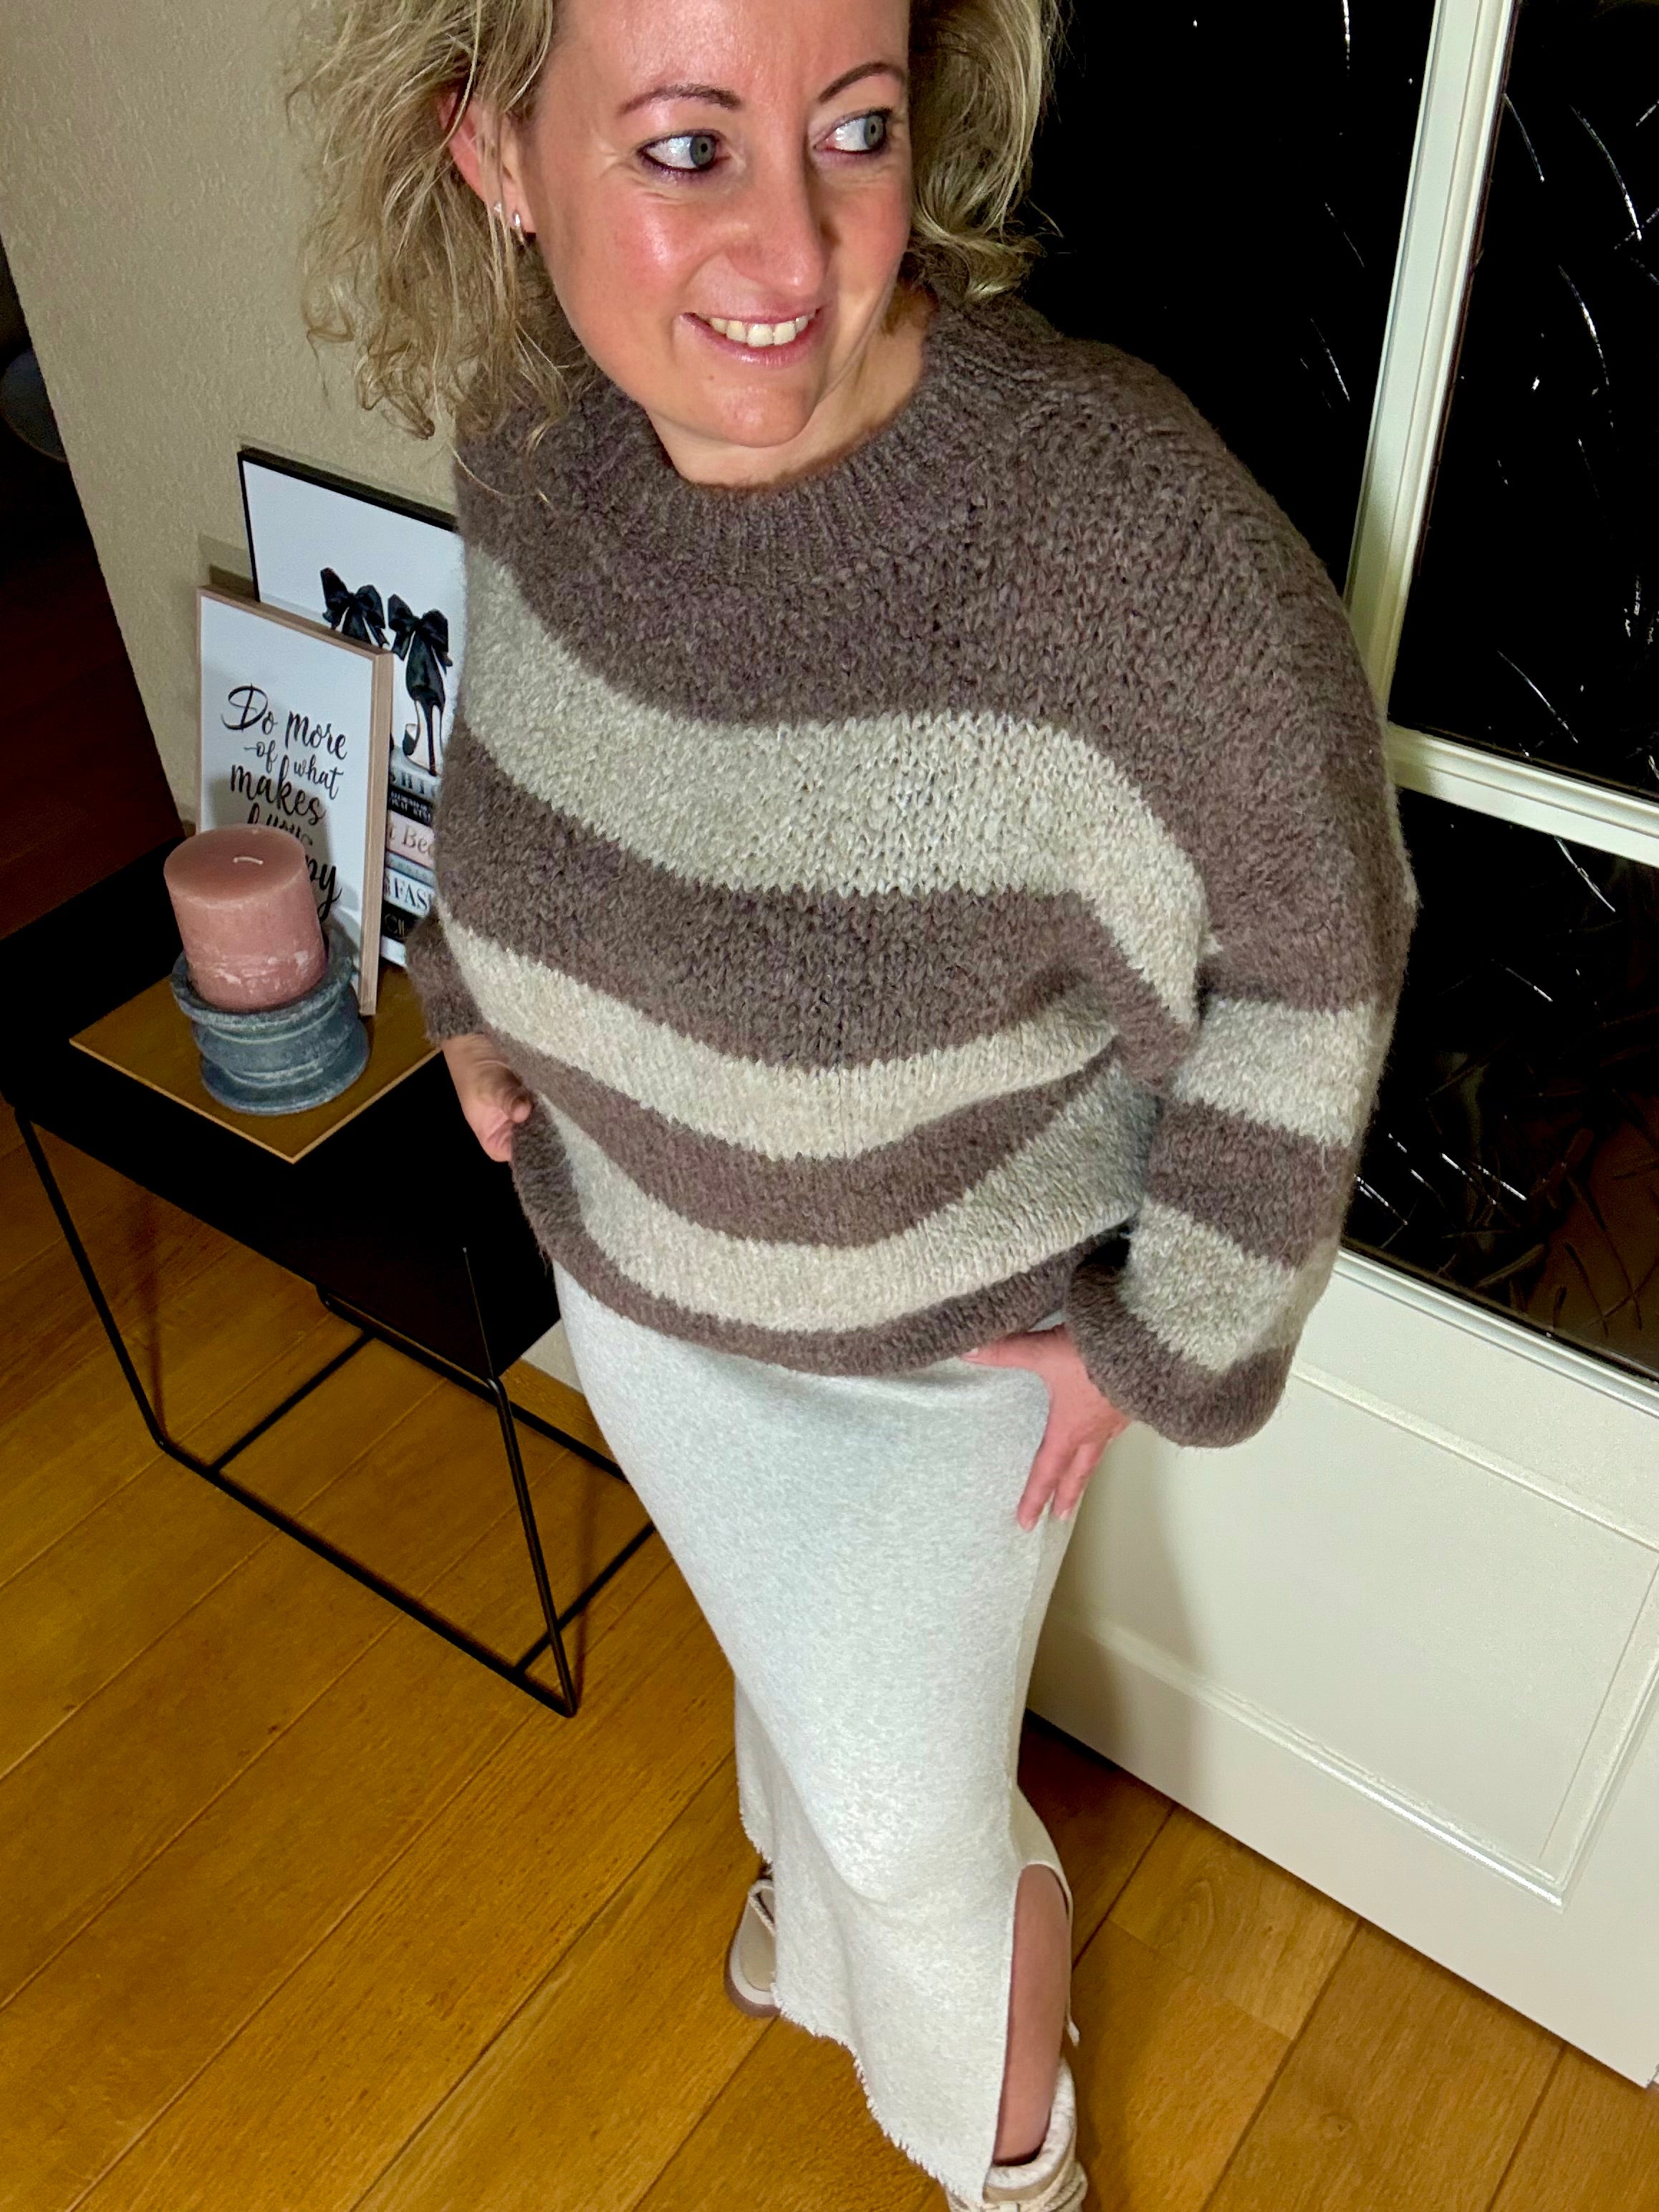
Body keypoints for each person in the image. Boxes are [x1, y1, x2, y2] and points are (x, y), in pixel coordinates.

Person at [294, 0, 1416, 2201]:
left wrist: (1164, 1336)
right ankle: (820, 1937)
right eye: (684, 147)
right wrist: (471, 992)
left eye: (856, 125)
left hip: (933, 1362)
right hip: (636, 1271)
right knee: (786, 1691)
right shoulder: (539, 422)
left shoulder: (1124, 547)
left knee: (915, 1830)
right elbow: (524, 748)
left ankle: (1008, 2148)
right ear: (493, 156)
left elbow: (1321, 952)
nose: (793, 253)